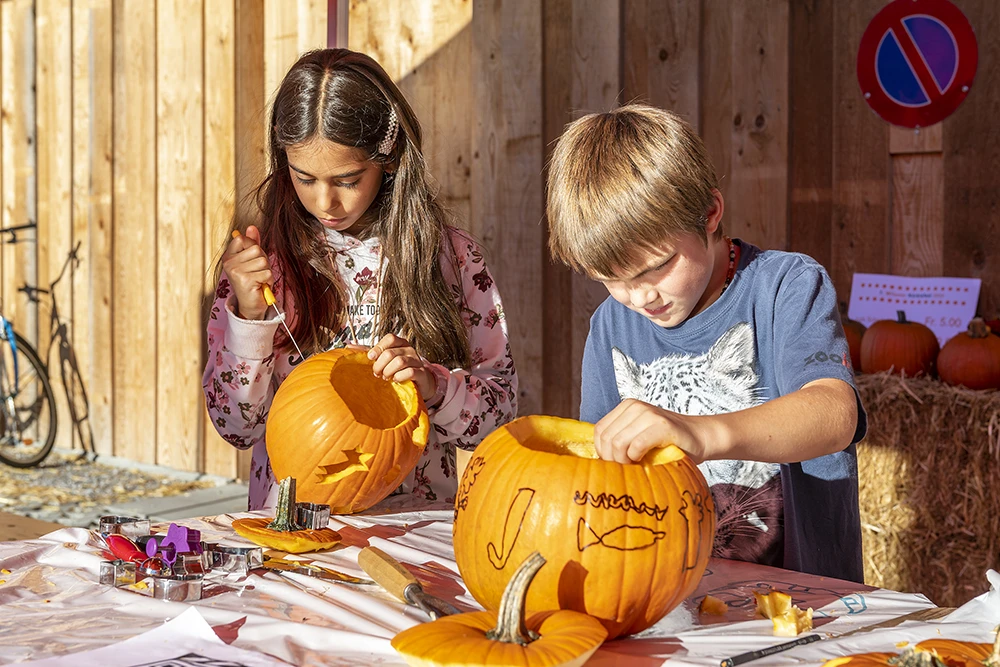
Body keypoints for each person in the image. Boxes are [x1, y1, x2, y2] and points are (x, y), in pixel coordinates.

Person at [545, 104, 867, 583]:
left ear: (710, 213)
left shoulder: (786, 287)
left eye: (656, 266)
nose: (640, 295)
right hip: (672, 597)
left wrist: (700, 434)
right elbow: (602, 480)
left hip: (806, 598)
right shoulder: (611, 326)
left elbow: (834, 413)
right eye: (612, 279)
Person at [203, 49, 518, 511]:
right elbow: (237, 427)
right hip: (296, 529)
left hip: (410, 528)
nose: (325, 201)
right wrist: (249, 321)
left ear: (387, 160)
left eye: (347, 179)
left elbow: (499, 415)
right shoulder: (263, 267)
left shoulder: (451, 257)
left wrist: (431, 385)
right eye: (304, 177)